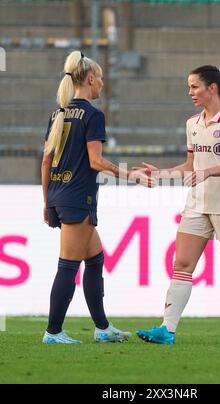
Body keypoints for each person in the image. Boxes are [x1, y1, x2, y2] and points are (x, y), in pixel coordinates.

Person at [135, 65, 220, 345]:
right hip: (196, 205)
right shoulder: (192, 123)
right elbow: (189, 166)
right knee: (182, 264)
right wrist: (160, 174)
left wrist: (206, 172)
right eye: (189, 87)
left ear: (212, 88)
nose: (190, 92)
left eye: (195, 86)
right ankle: (166, 330)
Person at [41, 50, 154, 344]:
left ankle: (103, 328)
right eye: (101, 78)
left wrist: (47, 201)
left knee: (95, 258)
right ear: (90, 79)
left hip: (58, 194)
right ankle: (52, 332)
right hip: (78, 198)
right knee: (67, 264)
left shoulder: (58, 113)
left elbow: (45, 161)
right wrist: (132, 176)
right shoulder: (92, 114)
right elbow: (96, 161)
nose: (102, 84)